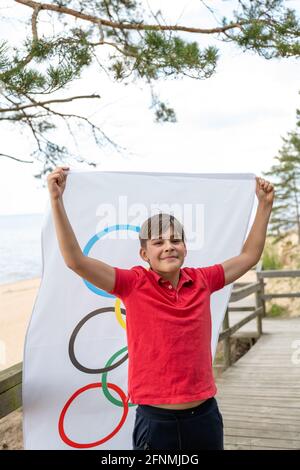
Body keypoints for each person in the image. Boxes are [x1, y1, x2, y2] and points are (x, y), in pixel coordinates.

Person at [47, 167, 275, 450]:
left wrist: (264, 206)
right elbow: (75, 261)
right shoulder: (132, 283)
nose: (168, 247)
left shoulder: (203, 279)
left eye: (175, 240)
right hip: (156, 423)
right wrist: (56, 200)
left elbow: (249, 256)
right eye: (158, 242)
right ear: (145, 254)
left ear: (185, 248)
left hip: (204, 417)